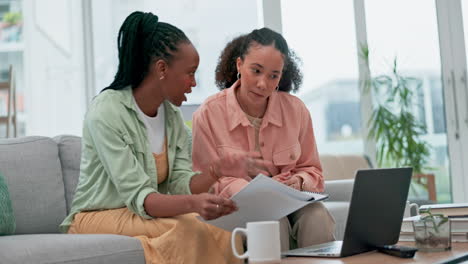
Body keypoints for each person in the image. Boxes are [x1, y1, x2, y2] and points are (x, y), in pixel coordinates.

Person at [59, 11, 250, 264]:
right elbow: (142, 198)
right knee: (192, 229)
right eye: (190, 73)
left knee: (222, 226)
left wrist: (216, 170)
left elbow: (179, 182)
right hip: (97, 216)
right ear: (162, 68)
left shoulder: (171, 116)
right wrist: (194, 204)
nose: (193, 83)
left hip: (140, 213)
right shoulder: (106, 111)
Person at [192, 27, 336, 251]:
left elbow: (313, 171)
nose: (263, 84)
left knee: (317, 216)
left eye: (273, 76)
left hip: (291, 201)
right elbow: (203, 181)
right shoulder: (209, 113)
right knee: (270, 222)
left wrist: (298, 182)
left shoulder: (296, 110)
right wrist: (258, 193)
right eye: (256, 71)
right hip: (235, 207)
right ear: (239, 64)